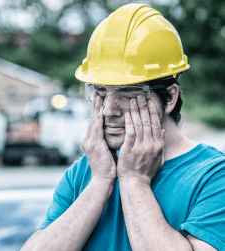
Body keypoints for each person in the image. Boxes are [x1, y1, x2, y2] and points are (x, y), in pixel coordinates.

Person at [21, 3, 225, 251]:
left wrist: (134, 181)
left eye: (128, 93)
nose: (108, 110)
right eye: (101, 92)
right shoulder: (84, 172)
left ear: (169, 98)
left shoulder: (213, 176)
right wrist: (101, 180)